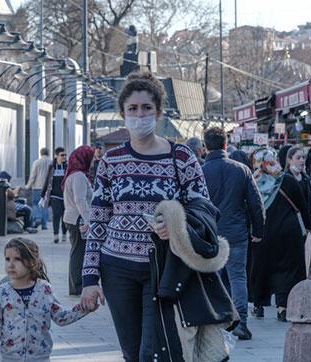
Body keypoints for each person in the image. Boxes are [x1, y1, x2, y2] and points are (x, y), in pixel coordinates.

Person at [81, 72, 237, 361]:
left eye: (146, 108)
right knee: (132, 352)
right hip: (117, 269)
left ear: (159, 112)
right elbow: (98, 222)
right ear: (123, 114)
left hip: (164, 269)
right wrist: (89, 279)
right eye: (133, 109)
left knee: (157, 352)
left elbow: (205, 211)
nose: (139, 115)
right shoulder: (110, 161)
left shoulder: (182, 158)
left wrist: (178, 227)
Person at [0, 237, 94, 361]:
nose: (11, 264)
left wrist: (85, 307)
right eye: (7, 259)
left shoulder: (44, 289)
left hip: (40, 358)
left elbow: (61, 317)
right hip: (9, 358)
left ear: (32, 262)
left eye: (17, 259)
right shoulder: (2, 292)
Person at [202, 126, 265, 340]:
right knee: (238, 277)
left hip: (209, 234)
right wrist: (258, 230)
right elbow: (256, 204)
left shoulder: (200, 171)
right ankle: (241, 323)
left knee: (211, 278)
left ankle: (217, 321)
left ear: (205, 147)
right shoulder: (241, 169)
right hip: (236, 233)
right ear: (226, 145)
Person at [249, 147, 311, 322]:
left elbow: (249, 208)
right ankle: (283, 307)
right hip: (288, 232)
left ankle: (258, 305)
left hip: (263, 233)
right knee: (288, 269)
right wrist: (307, 226)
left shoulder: (254, 182)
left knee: (261, 268)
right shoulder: (288, 180)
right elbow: (302, 206)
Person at [62, 145, 95, 296]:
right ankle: (76, 286)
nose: (93, 161)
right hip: (78, 219)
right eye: (91, 157)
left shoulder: (75, 175)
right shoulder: (79, 177)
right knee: (78, 253)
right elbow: (80, 200)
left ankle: (76, 285)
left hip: (73, 217)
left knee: (77, 252)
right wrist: (88, 220)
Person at [281, 146, 311, 273]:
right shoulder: (285, 178)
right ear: (289, 160)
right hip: (292, 223)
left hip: (306, 223)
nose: (302, 161)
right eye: (298, 158)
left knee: (306, 254)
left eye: (303, 157)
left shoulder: (305, 178)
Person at [42, 147, 68, 243]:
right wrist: (43, 194)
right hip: (54, 196)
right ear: (56, 156)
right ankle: (56, 235)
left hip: (65, 196)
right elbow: (47, 180)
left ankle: (64, 234)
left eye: (65, 155)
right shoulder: (52, 166)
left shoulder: (67, 167)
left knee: (65, 216)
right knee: (56, 215)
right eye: (62, 155)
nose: (64, 157)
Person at [26, 148, 52, 230]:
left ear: (40, 153)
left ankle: (37, 218)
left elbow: (33, 175)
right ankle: (44, 225)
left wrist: (28, 186)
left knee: (35, 203)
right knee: (45, 206)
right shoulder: (51, 162)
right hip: (47, 188)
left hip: (37, 186)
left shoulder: (36, 162)